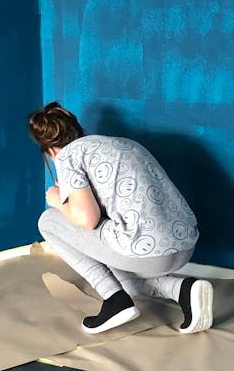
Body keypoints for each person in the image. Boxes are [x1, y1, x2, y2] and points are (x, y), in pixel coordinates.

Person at [28, 102, 214, 334]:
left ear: (50, 151)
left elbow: (87, 219)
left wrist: (58, 201)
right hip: (184, 247)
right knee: (125, 281)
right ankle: (182, 289)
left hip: (148, 254)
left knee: (48, 221)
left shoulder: (67, 156)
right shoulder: (124, 144)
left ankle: (114, 299)